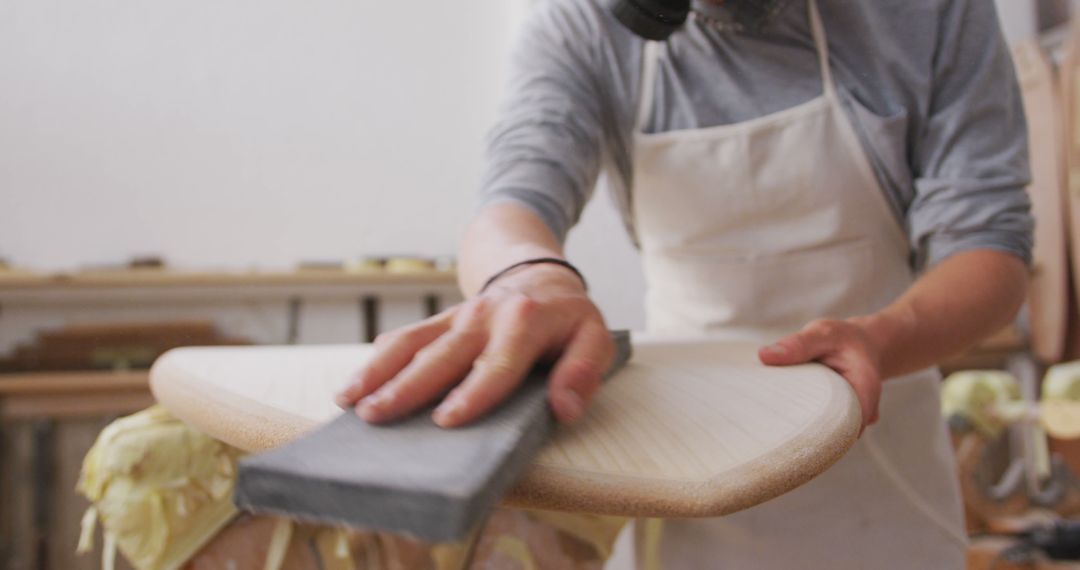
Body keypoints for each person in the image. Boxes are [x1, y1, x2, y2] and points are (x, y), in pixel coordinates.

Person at [337, 0, 1033, 567]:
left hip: (882, 472)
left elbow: (989, 249)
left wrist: (883, 338)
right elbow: (514, 198)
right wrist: (527, 281)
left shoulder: (927, 13)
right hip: (688, 472)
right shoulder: (582, 26)